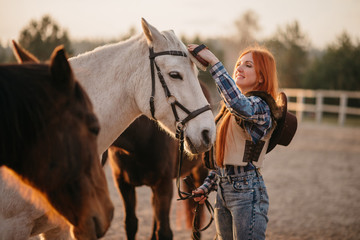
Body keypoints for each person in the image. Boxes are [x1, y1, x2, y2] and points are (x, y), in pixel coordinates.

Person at [187, 43, 280, 240]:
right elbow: (225, 161)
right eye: (238, 64)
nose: (239, 68)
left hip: (248, 192)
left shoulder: (261, 107)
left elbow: (239, 104)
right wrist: (207, 186)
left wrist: (214, 62)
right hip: (224, 190)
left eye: (248, 65)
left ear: (262, 76)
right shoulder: (227, 112)